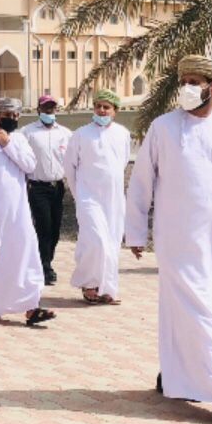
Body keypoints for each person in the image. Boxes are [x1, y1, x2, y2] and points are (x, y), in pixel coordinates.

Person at [125, 55, 212, 424]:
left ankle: (175, 373)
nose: (186, 88)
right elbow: (141, 182)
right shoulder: (163, 128)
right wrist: (136, 231)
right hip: (179, 235)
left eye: (195, 82)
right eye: (184, 81)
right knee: (198, 306)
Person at [0, 97, 56, 326]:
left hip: (17, 211)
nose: (12, 119)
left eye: (15, 115)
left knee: (25, 255)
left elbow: (29, 165)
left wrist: (7, 144)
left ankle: (31, 306)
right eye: (7, 115)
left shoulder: (19, 140)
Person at [64, 88, 131, 305]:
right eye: (98, 106)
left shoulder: (122, 133)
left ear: (115, 111)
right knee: (96, 240)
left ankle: (106, 288)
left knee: (111, 242)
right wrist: (79, 194)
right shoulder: (81, 134)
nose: (101, 110)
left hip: (113, 198)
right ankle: (89, 283)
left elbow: (121, 163)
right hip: (88, 197)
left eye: (106, 107)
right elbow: (70, 167)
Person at [20, 95, 72, 285]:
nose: (49, 111)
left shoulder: (65, 133)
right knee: (44, 226)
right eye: (45, 108)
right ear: (38, 110)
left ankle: (46, 260)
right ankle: (44, 266)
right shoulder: (27, 132)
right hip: (38, 187)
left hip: (57, 186)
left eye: (52, 108)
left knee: (55, 229)